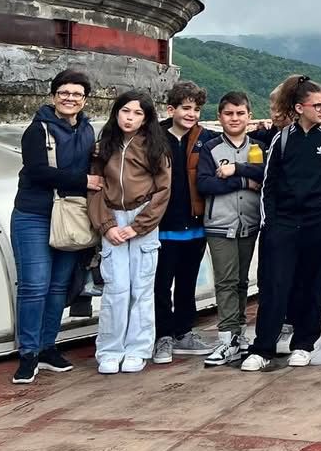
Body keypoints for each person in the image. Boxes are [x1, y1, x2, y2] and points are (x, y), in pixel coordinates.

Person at [240, 78, 321, 372]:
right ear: (300, 108)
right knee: (275, 285)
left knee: (312, 286)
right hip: (283, 223)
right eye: (318, 105)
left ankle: (303, 344)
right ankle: (262, 347)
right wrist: (270, 222)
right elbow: (269, 185)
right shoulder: (282, 139)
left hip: (318, 223)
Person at [11, 69, 101, 384]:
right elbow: (36, 171)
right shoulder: (37, 130)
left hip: (72, 216)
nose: (70, 99)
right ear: (53, 96)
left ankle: (49, 346)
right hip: (35, 213)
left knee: (58, 285)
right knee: (34, 285)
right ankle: (28, 353)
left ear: (84, 99)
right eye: (64, 93)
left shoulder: (88, 131)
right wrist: (83, 180)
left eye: (76, 94)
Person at [87, 91, 172, 374]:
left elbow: (163, 191)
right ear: (116, 112)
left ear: (146, 118)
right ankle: (110, 350)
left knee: (142, 288)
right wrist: (106, 226)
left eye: (137, 113)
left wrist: (138, 226)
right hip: (112, 216)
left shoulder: (154, 149)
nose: (130, 118)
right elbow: (95, 188)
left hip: (142, 218)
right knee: (116, 288)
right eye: (125, 111)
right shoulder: (103, 147)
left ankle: (138, 349)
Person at [196, 91, 270, 367]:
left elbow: (266, 175)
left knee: (242, 282)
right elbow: (205, 184)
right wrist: (242, 182)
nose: (235, 118)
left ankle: (238, 335)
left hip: (250, 223)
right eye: (229, 113)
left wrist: (235, 170)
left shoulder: (259, 148)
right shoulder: (211, 148)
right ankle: (226, 337)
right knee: (225, 282)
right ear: (220, 117)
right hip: (220, 224)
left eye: (240, 113)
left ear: (249, 116)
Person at [153, 81, 210, 365]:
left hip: (196, 224)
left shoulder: (206, 139)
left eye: (196, 109)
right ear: (171, 109)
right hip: (163, 225)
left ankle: (184, 331)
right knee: (161, 283)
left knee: (187, 282)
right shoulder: (154, 137)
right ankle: (162, 335)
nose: (191, 114)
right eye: (186, 108)